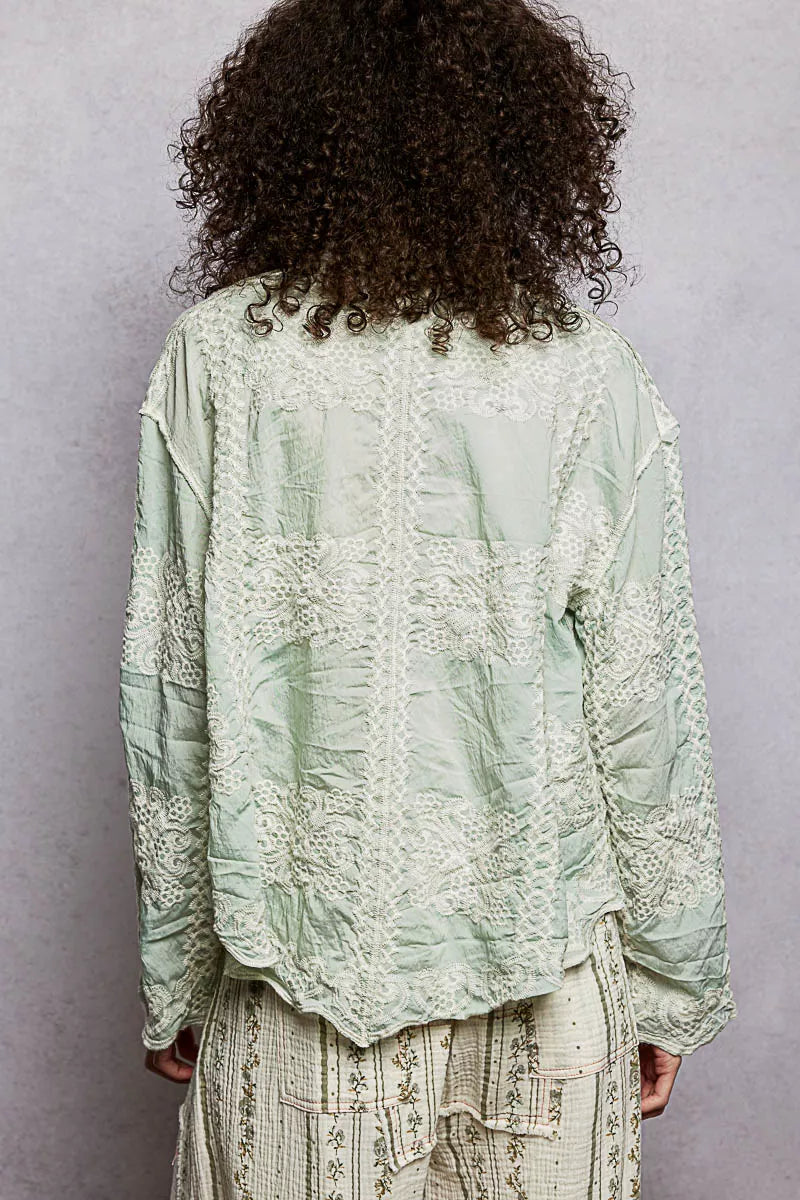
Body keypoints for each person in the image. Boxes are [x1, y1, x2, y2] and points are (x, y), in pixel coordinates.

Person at [118, 1, 737, 1195]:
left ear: (288, 137)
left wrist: (175, 967)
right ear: (523, 146)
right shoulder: (584, 372)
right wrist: (669, 983)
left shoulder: (218, 359)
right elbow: (642, 705)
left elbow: (172, 695)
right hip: (544, 967)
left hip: (292, 967)